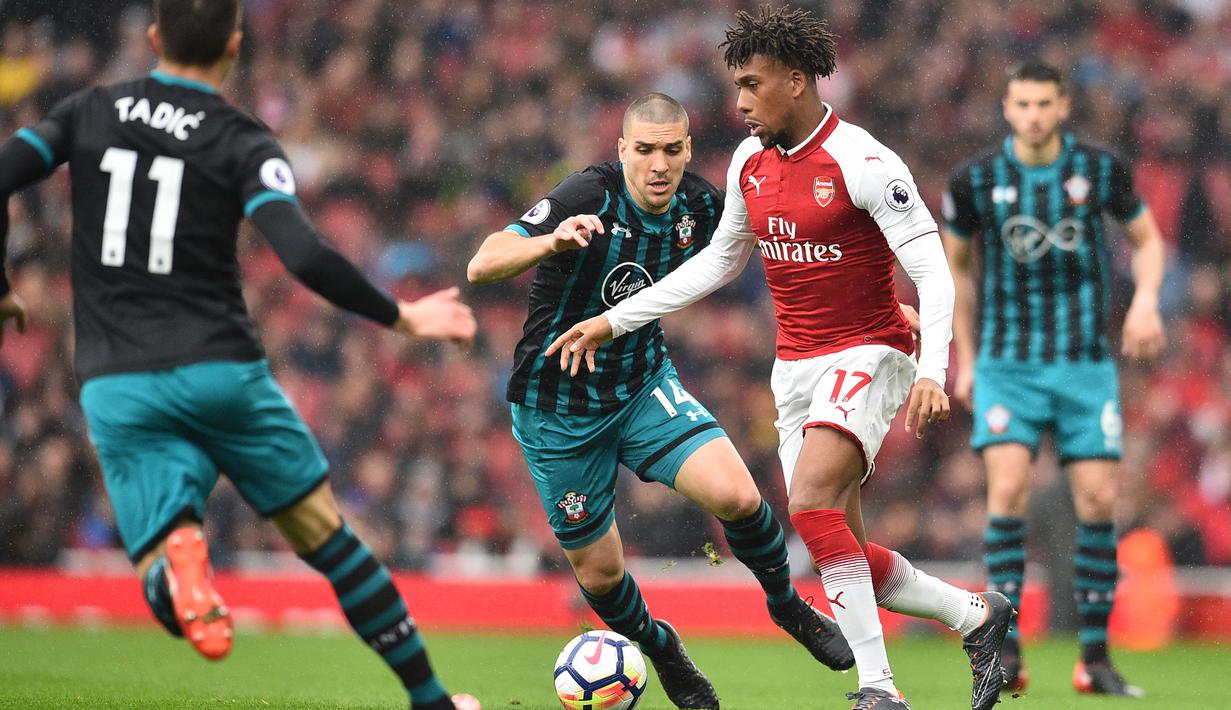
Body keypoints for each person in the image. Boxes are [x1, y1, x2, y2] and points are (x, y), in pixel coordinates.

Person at [0, 2, 479, 708]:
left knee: (163, 568)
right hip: (221, 369)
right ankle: (432, 701)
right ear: (233, 45)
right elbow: (302, 253)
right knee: (327, 538)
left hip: (117, 379)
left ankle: (177, 564)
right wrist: (399, 315)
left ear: (156, 37)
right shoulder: (240, 138)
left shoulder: (89, 110)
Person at [547, 7, 1013, 710]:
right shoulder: (748, 163)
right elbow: (716, 264)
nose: (736, 102)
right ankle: (974, 615)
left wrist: (930, 369)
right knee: (838, 542)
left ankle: (878, 690)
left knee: (810, 503)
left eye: (750, 84)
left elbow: (933, 271)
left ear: (796, 82)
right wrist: (612, 320)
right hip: (794, 369)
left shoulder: (864, 162)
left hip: (870, 349)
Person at [468, 92, 853, 710]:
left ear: (688, 150)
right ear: (622, 150)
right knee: (599, 575)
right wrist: (551, 242)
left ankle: (787, 606)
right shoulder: (586, 197)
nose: (658, 164)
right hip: (556, 410)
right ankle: (661, 645)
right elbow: (482, 264)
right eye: (644, 150)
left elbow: (786, 249)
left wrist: (870, 307)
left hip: (643, 387)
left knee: (739, 496)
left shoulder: (702, 205)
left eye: (672, 149)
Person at [941, 60, 1165, 698]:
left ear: (1063, 106)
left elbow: (1148, 241)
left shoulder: (1099, 170)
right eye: (1022, 103)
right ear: (1007, 109)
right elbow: (955, 269)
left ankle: (1094, 659)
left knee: (1097, 500)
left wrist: (1147, 301)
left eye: (1044, 103)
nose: (1033, 114)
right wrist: (967, 356)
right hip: (1008, 364)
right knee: (1007, 488)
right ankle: (1005, 653)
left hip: (1084, 364)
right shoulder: (976, 180)